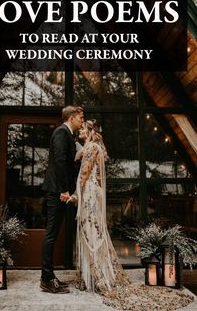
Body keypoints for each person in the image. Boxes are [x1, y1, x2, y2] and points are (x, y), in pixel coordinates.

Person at [68, 120, 193, 311]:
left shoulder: (91, 148)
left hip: (90, 195)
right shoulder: (96, 148)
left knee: (90, 232)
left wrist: (76, 194)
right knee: (94, 231)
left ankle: (97, 276)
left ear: (91, 132)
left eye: (83, 129)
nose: (80, 132)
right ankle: (93, 274)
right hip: (95, 192)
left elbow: (84, 174)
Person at [40, 105, 84, 294]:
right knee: (51, 234)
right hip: (57, 190)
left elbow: (65, 162)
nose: (82, 121)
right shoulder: (61, 132)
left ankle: (49, 276)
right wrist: (65, 190)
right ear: (72, 117)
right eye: (81, 118)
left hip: (60, 190)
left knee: (53, 233)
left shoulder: (68, 135)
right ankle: (46, 279)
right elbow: (58, 161)